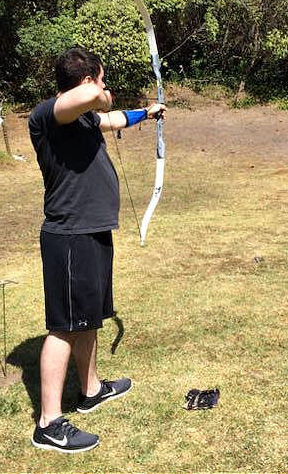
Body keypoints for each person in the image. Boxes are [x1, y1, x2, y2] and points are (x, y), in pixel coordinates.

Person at [28, 46, 166, 453]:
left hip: (92, 231)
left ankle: (90, 390)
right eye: (101, 79)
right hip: (68, 235)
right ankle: (49, 423)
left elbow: (110, 117)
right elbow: (92, 100)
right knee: (63, 327)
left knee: (87, 319)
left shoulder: (82, 119)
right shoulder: (49, 114)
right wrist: (99, 90)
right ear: (87, 80)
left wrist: (147, 113)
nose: (105, 89)